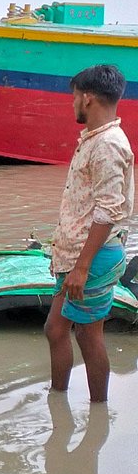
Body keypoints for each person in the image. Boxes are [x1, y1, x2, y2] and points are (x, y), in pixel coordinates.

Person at [44, 64, 134, 403]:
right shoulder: (95, 140)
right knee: (56, 329)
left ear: (88, 98)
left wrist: (82, 266)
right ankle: (58, 401)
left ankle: (98, 411)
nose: (72, 105)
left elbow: (109, 210)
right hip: (77, 254)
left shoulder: (108, 145)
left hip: (93, 257)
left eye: (73, 98)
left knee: (88, 334)